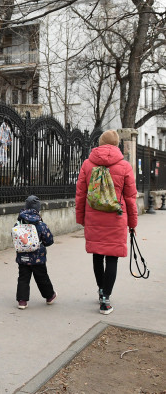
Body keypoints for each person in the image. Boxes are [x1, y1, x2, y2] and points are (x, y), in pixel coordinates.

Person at [75, 130, 138, 315]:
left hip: (94, 217)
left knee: (97, 255)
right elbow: (130, 198)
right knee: (112, 257)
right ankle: (105, 299)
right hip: (116, 217)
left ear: (100, 143)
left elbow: (80, 194)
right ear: (117, 144)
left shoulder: (87, 164)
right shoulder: (125, 167)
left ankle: (101, 290)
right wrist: (132, 223)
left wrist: (81, 218)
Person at [16, 195, 57, 310]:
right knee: (42, 277)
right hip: (38, 257)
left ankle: (22, 301)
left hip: (23, 256)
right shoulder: (40, 224)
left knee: (23, 278)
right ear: (38, 209)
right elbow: (49, 240)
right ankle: (49, 296)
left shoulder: (18, 223)